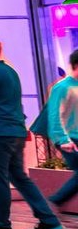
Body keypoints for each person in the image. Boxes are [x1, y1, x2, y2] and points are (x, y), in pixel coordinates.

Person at [0, 37, 61, 229]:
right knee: (19, 178)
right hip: (15, 131)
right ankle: (48, 218)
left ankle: (0, 222)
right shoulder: (10, 71)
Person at [44, 53, 78, 208]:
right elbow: (54, 115)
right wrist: (63, 140)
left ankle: (55, 202)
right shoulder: (62, 87)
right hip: (69, 138)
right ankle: (55, 201)